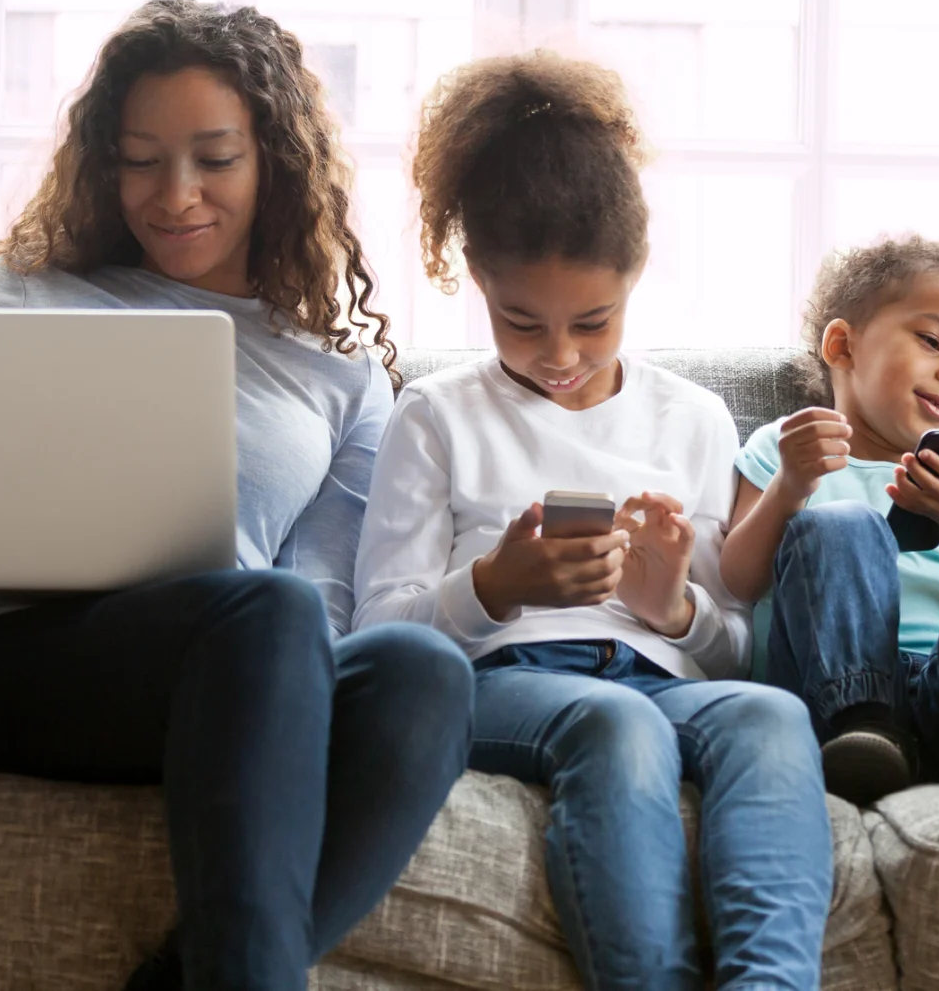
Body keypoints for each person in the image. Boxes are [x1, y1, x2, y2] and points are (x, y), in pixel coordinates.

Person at [0, 0, 475, 991]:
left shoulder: (342, 373)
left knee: (420, 672)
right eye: (141, 157)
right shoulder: (26, 292)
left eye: (214, 158)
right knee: (263, 613)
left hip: (221, 677)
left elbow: (323, 600)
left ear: (273, 161)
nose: (175, 194)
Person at [352, 51, 833, 991]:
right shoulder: (437, 414)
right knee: (615, 725)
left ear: (636, 276)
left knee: (771, 715)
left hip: (658, 678)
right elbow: (379, 637)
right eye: (520, 322)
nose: (561, 354)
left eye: (594, 321)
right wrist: (494, 587)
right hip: (505, 682)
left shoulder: (692, 417)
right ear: (477, 280)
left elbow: (728, 647)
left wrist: (673, 611)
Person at [718, 236, 939, 804]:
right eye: (933, 342)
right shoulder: (784, 447)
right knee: (842, 523)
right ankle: (864, 722)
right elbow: (738, 581)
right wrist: (792, 485)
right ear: (842, 346)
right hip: (832, 707)